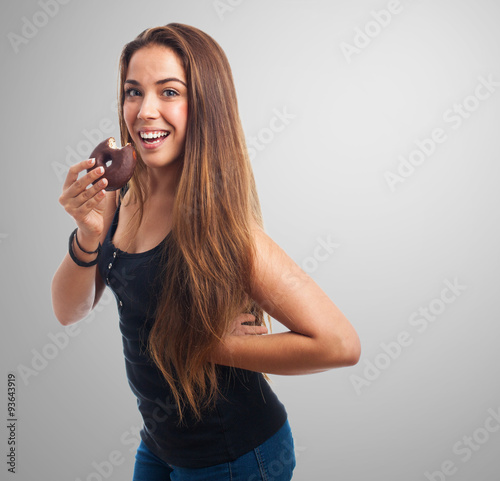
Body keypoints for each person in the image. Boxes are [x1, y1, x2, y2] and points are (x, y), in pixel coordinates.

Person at [51, 23, 361, 480]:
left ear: (204, 106)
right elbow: (68, 312)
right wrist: (88, 234)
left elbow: (340, 344)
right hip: (159, 445)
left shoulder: (223, 229)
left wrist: (212, 346)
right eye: (133, 92)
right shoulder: (120, 196)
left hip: (235, 457)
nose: (145, 111)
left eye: (169, 92)